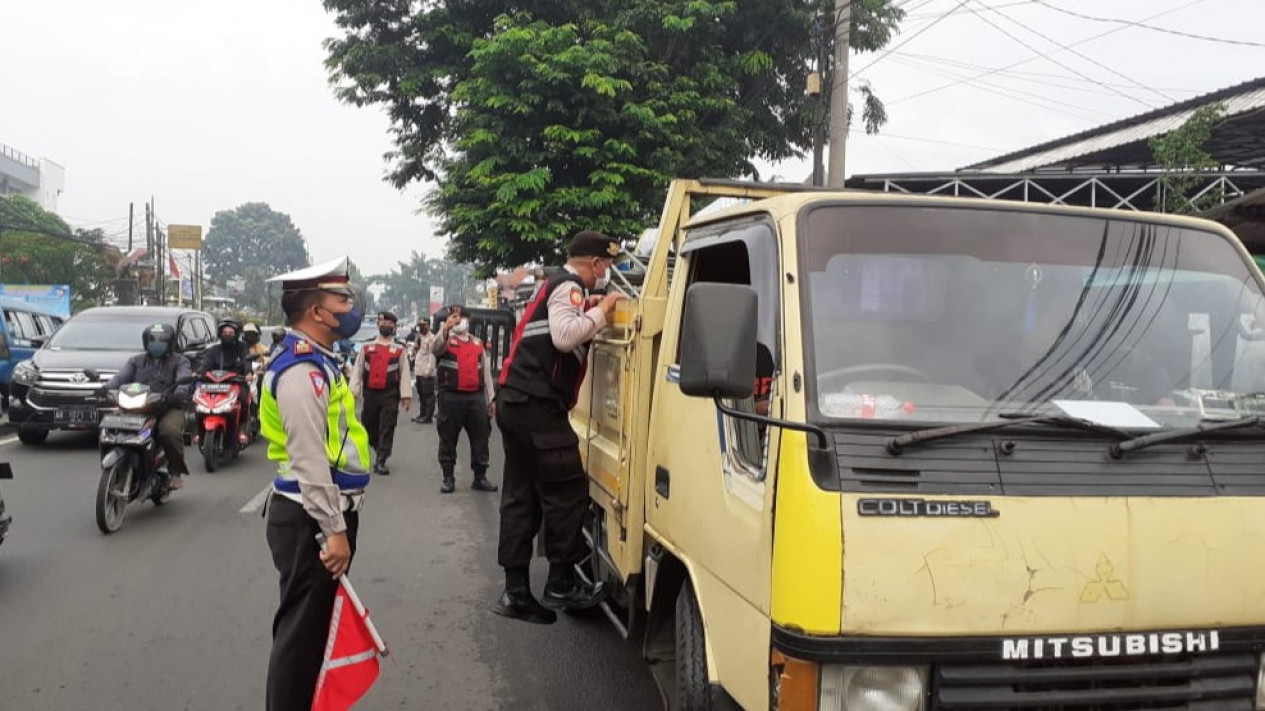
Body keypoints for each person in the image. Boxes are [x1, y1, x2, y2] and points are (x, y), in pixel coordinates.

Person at [259, 256, 374, 711]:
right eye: (341, 300)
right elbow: (309, 460)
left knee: (312, 633)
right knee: (301, 641)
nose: (350, 307)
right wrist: (334, 529)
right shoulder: (301, 371)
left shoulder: (320, 362)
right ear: (316, 312)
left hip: (315, 516)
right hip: (309, 519)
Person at [493, 230, 626, 625]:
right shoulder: (569, 286)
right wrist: (604, 310)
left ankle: (516, 592)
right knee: (567, 490)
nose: (606, 274)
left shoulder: (557, 286)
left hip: (517, 401)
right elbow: (565, 337)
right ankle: (561, 584)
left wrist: (590, 307)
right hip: (537, 407)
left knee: (521, 496)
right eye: (606, 266)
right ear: (595, 264)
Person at [105, 323, 193, 490]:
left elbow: (184, 382)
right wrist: (105, 389)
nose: (156, 344)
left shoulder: (180, 361)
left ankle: (175, 472)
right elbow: (120, 378)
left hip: (168, 407)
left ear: (170, 342)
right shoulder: (136, 361)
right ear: (146, 342)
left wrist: (175, 395)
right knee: (109, 427)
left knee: (169, 431)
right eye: (152, 340)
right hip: (137, 406)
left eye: (161, 340)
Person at [432, 306, 498, 493]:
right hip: (450, 397)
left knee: (481, 437)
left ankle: (480, 476)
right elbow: (435, 349)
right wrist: (445, 328)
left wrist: (491, 399)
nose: (459, 321)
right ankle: (448, 477)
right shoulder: (445, 340)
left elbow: (486, 374)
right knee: (448, 437)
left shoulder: (477, 344)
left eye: (461, 318)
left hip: (475, 397)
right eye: (454, 318)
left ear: (468, 321)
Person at [350, 311, 412, 475]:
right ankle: (379, 448)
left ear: (394, 327)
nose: (385, 326)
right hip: (370, 393)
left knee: (387, 425)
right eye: (383, 323)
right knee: (368, 424)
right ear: (378, 325)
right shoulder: (367, 347)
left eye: (389, 324)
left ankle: (381, 459)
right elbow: (357, 368)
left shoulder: (399, 349)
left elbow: (405, 372)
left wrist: (406, 395)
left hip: (390, 394)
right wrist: (354, 390)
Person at [410, 319, 438, 424]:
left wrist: (429, 370)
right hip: (419, 370)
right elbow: (415, 352)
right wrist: (415, 346)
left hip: (426, 371)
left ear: (429, 326)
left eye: (424, 325)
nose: (422, 327)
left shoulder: (432, 338)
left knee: (428, 395)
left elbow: (432, 355)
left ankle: (428, 417)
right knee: (421, 394)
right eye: (420, 325)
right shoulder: (419, 337)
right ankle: (422, 414)